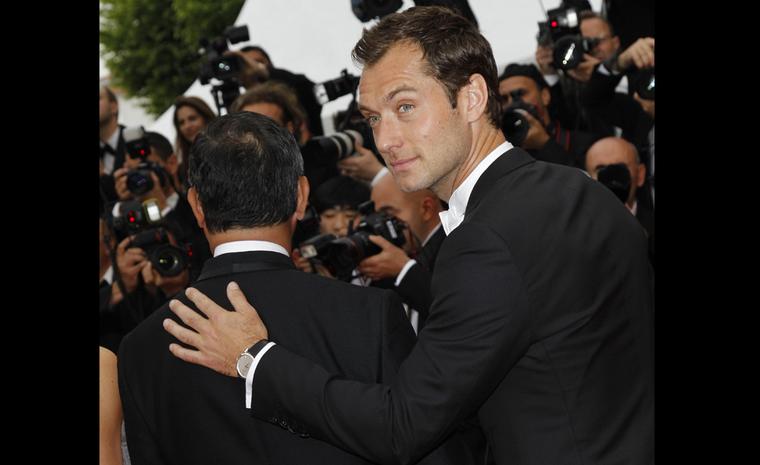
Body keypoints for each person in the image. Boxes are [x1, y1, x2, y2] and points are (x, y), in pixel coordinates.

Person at [163, 7, 654, 465]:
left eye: (405, 106)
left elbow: (403, 424)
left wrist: (255, 358)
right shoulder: (574, 187)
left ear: (473, 98)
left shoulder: (488, 239)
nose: (386, 139)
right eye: (374, 118)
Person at [118, 111, 475, 464]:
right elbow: (433, 450)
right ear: (301, 196)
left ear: (196, 206)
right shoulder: (369, 314)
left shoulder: (142, 349)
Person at [172, 96, 216, 190]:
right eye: (182, 122)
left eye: (192, 118)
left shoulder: (230, 149)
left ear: (206, 118)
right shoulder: (183, 169)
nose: (187, 126)